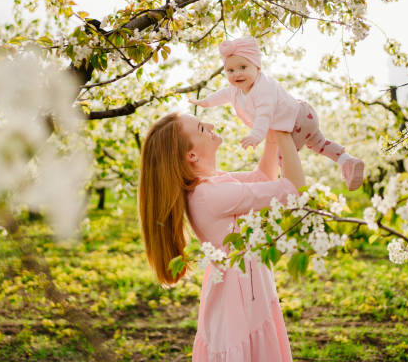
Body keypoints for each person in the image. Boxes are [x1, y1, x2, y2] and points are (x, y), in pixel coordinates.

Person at [139, 111, 305, 361]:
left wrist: (271, 136)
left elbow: (262, 179)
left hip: (246, 301)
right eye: (202, 128)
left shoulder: (209, 185)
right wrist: (283, 133)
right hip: (238, 312)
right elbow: (294, 189)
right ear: (191, 155)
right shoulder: (209, 195)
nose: (211, 124)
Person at [189, 36, 365, 191]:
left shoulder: (263, 88)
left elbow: (264, 114)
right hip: (305, 114)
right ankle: (346, 160)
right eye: (231, 71)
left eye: (243, 67)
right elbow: (223, 94)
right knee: (319, 143)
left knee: (282, 157)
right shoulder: (237, 89)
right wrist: (206, 102)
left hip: (294, 123)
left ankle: (287, 190)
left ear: (257, 68)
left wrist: (256, 136)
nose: (237, 74)